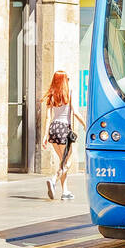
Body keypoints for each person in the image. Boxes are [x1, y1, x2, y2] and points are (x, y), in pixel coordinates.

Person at [41, 70, 84, 201]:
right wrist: (85, 124)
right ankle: (53, 179)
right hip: (64, 129)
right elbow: (75, 112)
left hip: (53, 129)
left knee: (62, 161)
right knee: (68, 162)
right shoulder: (70, 91)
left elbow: (48, 117)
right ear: (65, 80)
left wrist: (45, 135)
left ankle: (65, 191)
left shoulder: (51, 94)